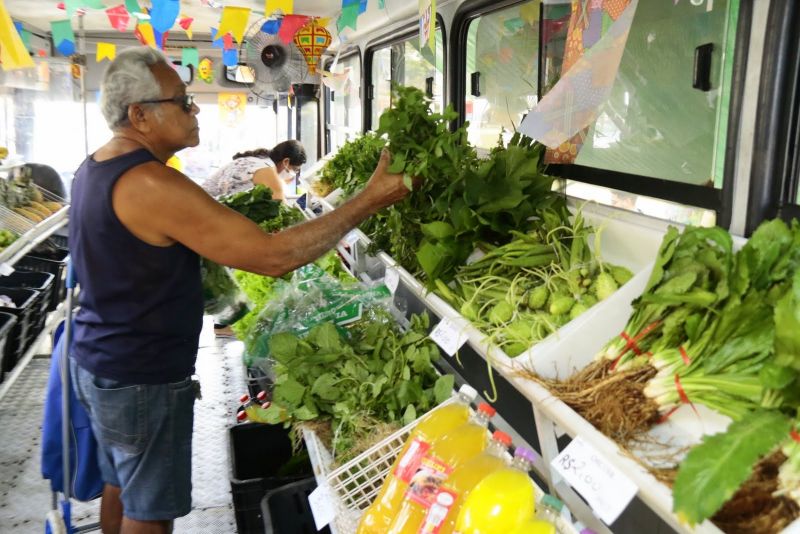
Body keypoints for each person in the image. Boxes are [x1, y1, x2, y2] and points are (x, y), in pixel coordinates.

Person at [68, 46, 412, 534]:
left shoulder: (95, 167)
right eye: (182, 101)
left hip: (100, 361)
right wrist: (370, 198)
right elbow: (274, 257)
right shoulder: (150, 184)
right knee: (149, 513)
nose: (195, 109)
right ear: (139, 115)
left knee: (121, 486)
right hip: (140, 375)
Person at [201, 140, 307, 201]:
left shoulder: (256, 161)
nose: (294, 175)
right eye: (295, 169)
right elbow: (281, 208)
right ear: (286, 162)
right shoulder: (265, 169)